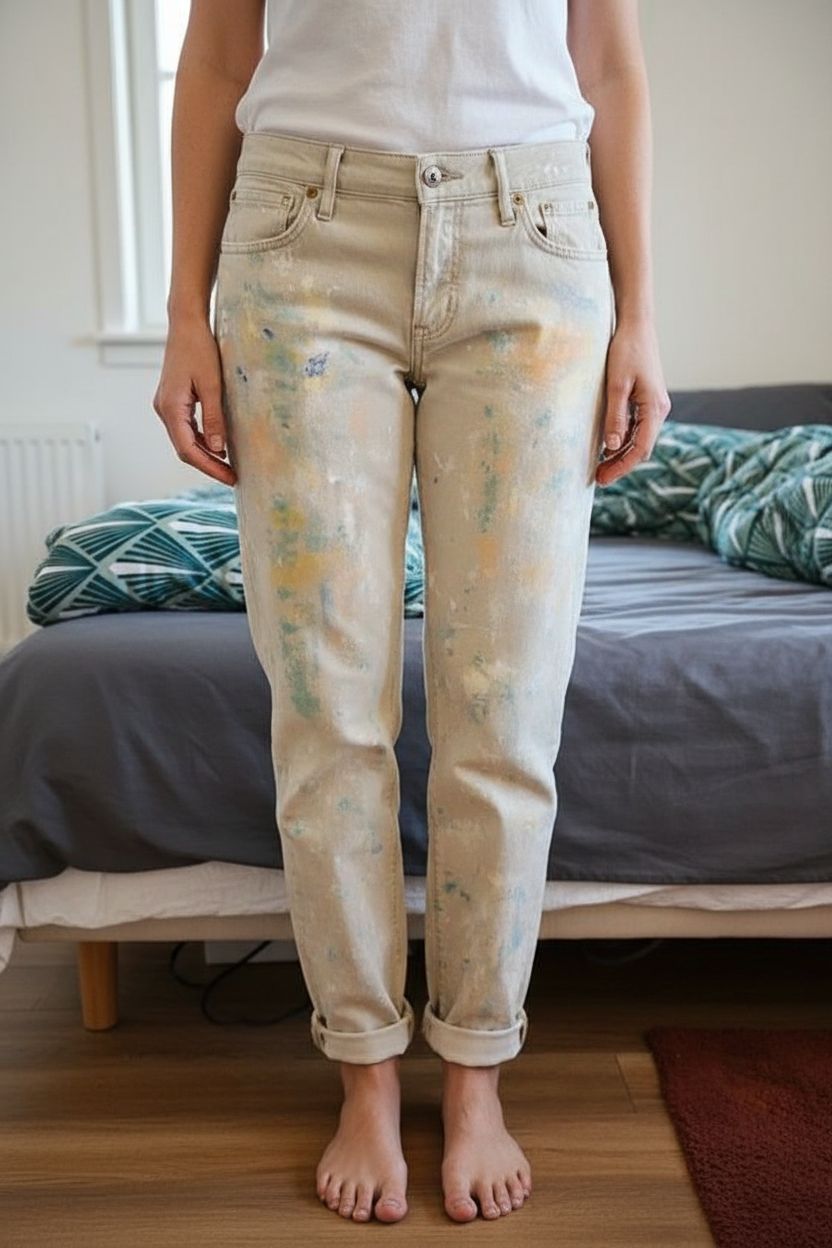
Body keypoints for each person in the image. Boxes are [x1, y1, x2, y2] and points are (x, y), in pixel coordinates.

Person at [153, 0, 671, 1226]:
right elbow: (218, 53)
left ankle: (478, 1070)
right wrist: (183, 312)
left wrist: (641, 313)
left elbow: (608, 60)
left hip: (533, 231)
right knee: (326, 703)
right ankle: (366, 1072)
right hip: (301, 237)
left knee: (505, 706)